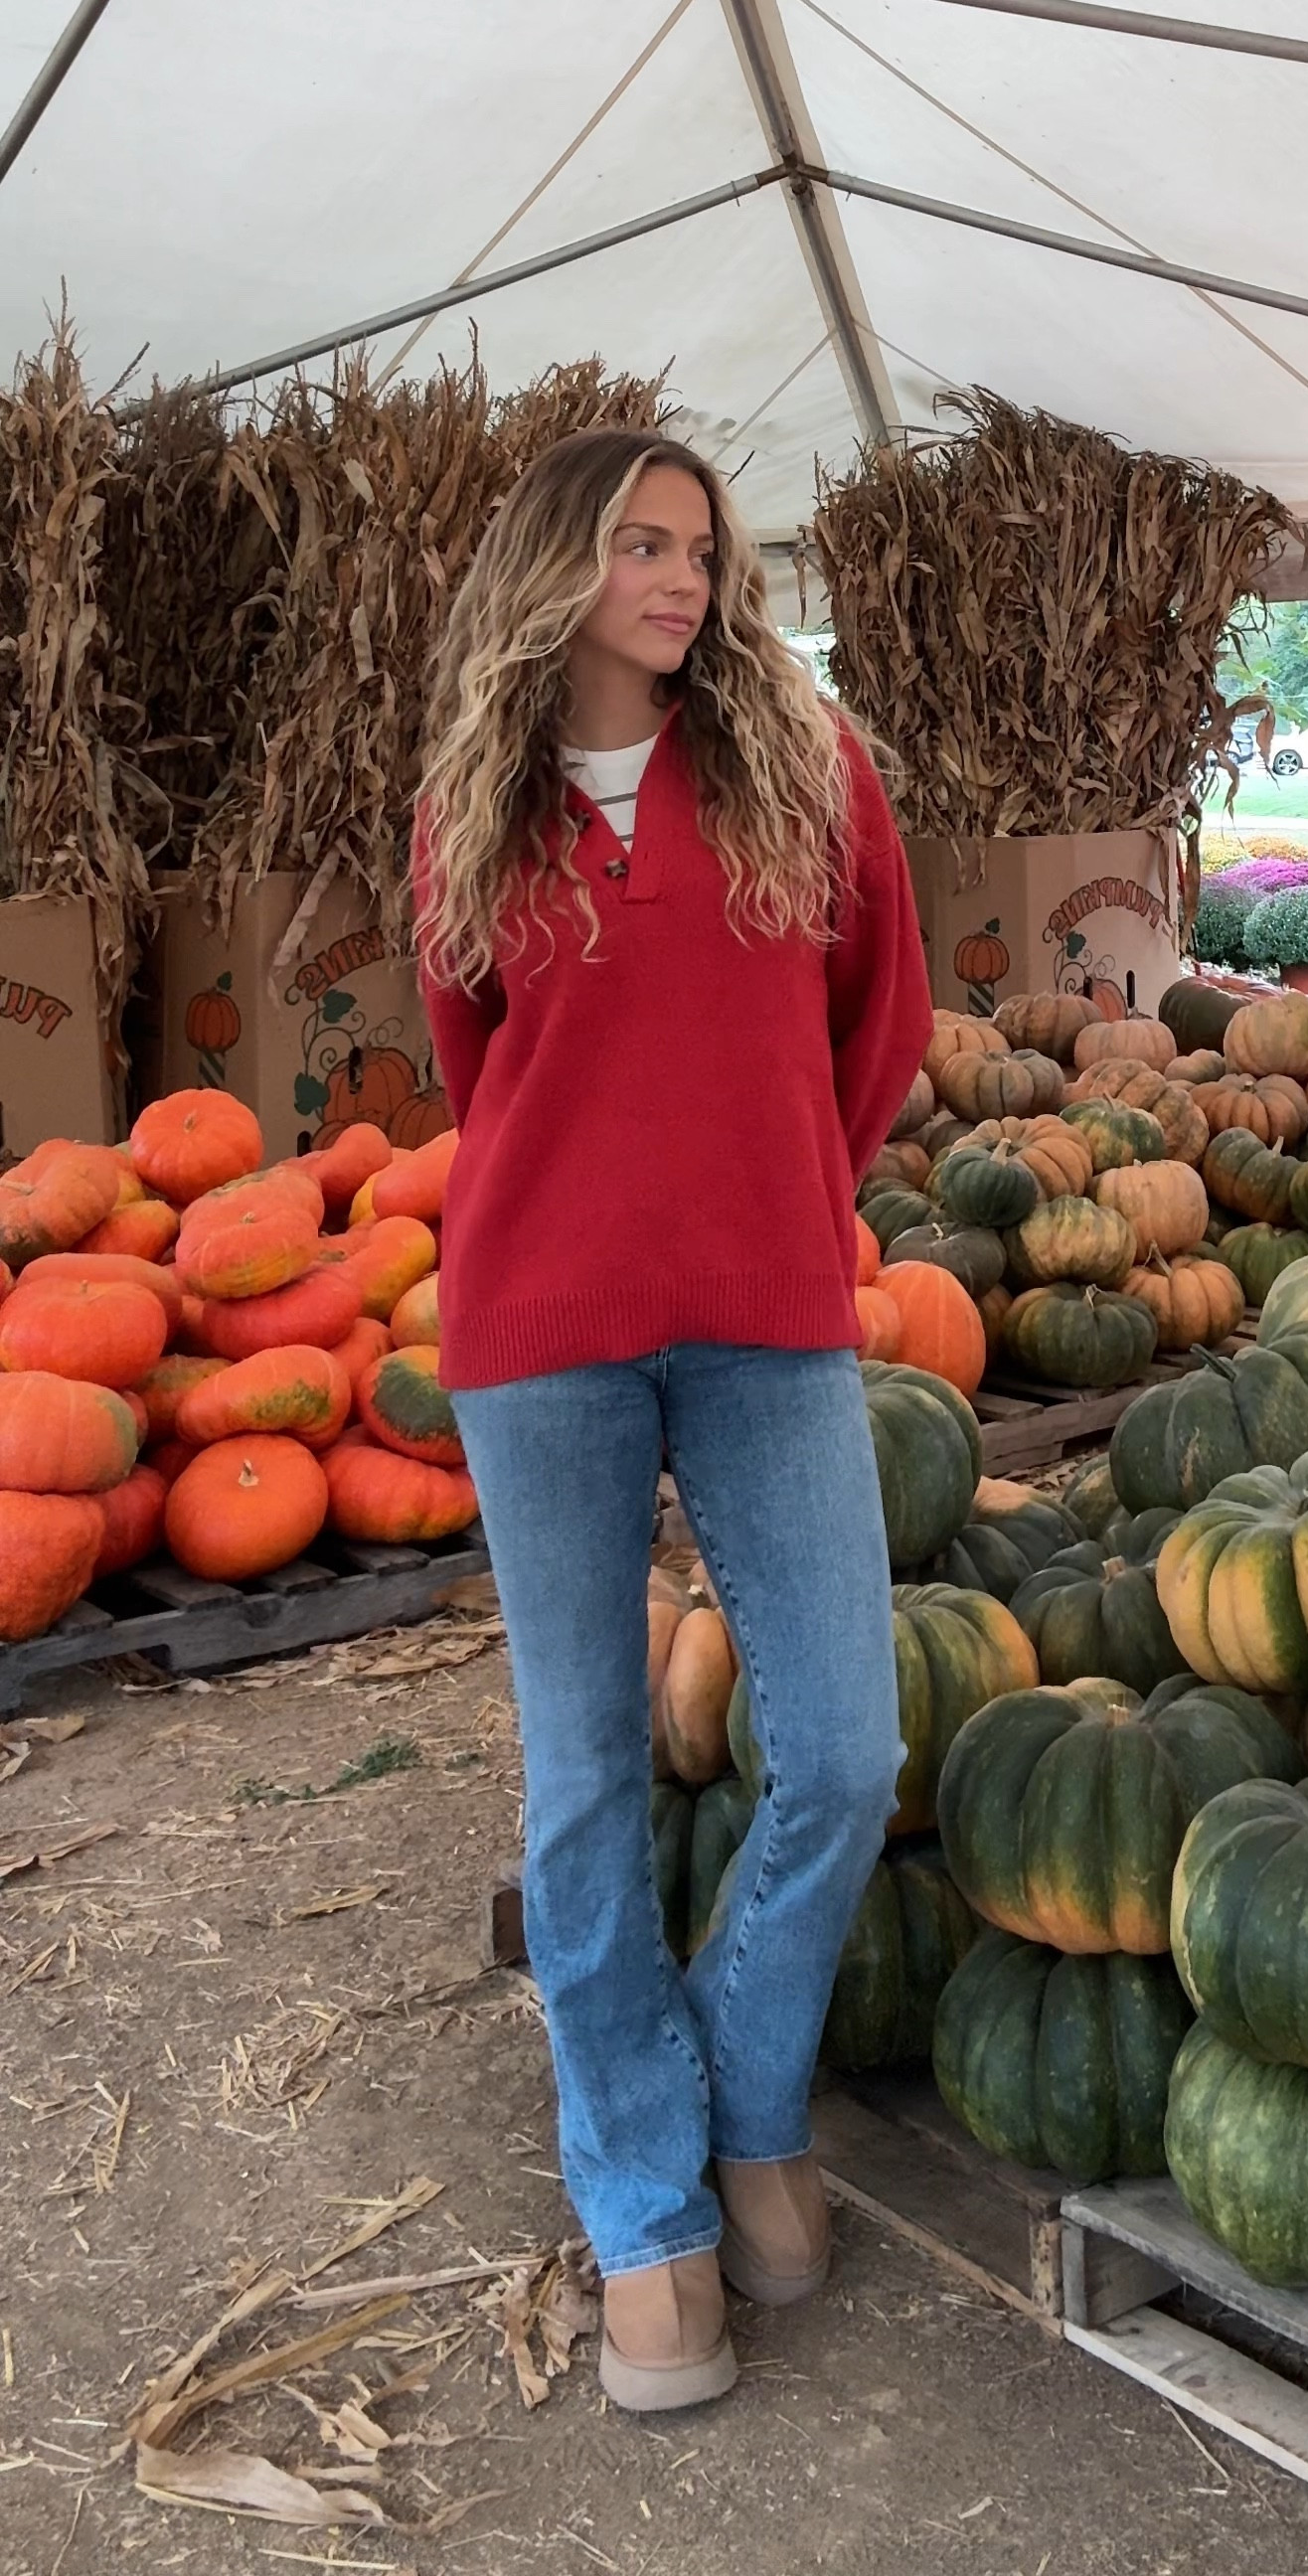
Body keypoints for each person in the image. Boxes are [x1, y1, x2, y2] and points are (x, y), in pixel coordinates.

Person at [415, 427, 931, 2414]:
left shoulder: (810, 765)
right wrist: (597, 1207)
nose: (681, 581)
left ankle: (748, 2102)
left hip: (768, 1318)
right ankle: (648, 2207)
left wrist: (788, 1188)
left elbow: (872, 1019)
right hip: (539, 1338)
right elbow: (486, 1067)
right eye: (638, 545)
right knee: (583, 1785)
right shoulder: (471, 804)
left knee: (841, 1740)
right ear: (554, 562)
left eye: (698, 549)